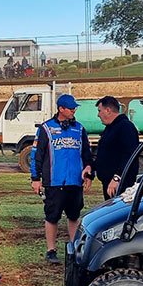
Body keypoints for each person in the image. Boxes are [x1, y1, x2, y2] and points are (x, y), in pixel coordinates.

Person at [31, 94, 93, 263]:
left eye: (74, 107)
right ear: (61, 109)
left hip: (75, 181)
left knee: (74, 216)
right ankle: (51, 250)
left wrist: (89, 173)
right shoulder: (46, 129)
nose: (74, 110)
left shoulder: (79, 129)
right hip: (54, 181)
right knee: (52, 216)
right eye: (71, 107)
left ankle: (73, 249)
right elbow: (37, 155)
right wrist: (35, 178)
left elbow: (87, 154)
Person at [93, 96, 140, 200]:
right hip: (109, 182)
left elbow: (129, 154)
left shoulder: (125, 127)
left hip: (120, 184)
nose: (98, 115)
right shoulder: (109, 128)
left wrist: (117, 178)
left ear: (108, 110)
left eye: (99, 111)